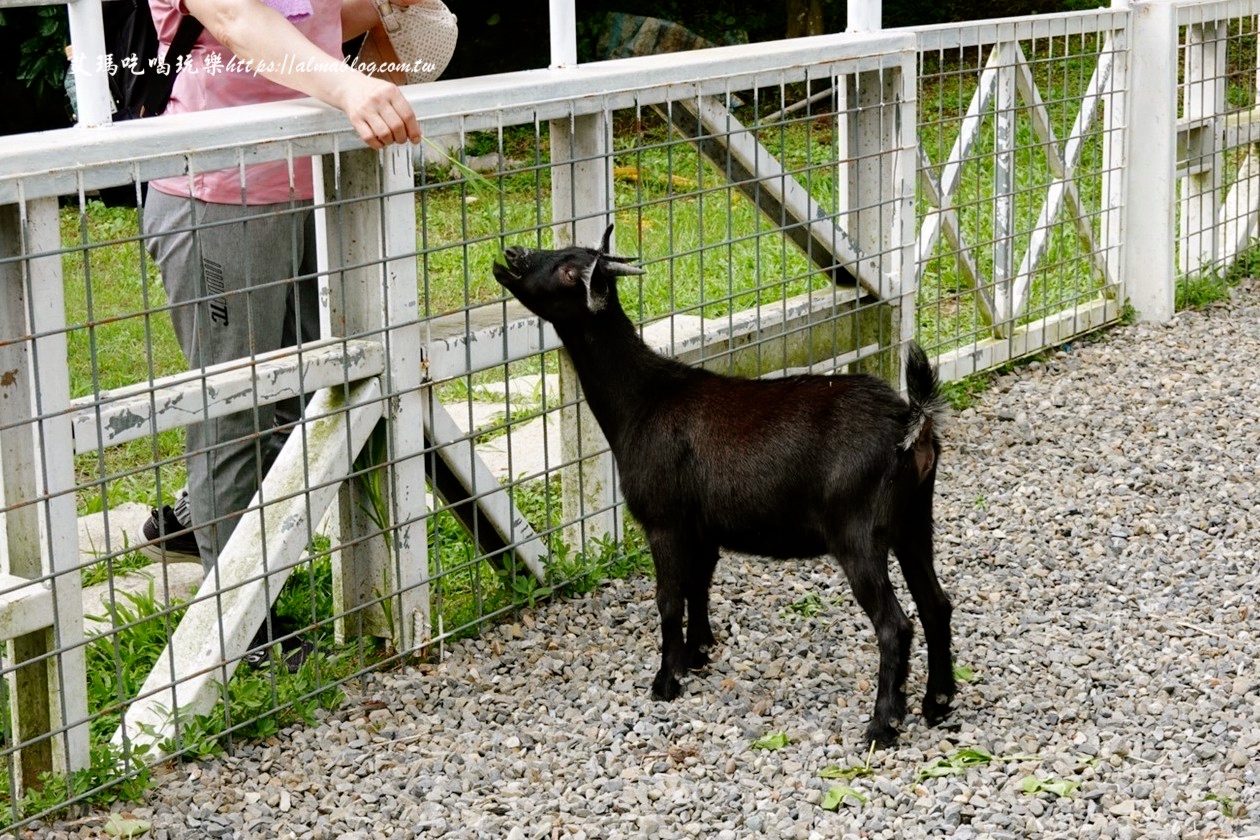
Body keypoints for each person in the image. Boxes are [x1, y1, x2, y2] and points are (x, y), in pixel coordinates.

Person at [140, 0, 422, 667]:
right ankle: (235, 629)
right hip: (218, 188)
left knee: (301, 401)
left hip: (308, 181)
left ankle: (203, 528)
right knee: (235, 408)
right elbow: (239, 20)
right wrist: (352, 86)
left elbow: (321, 22)